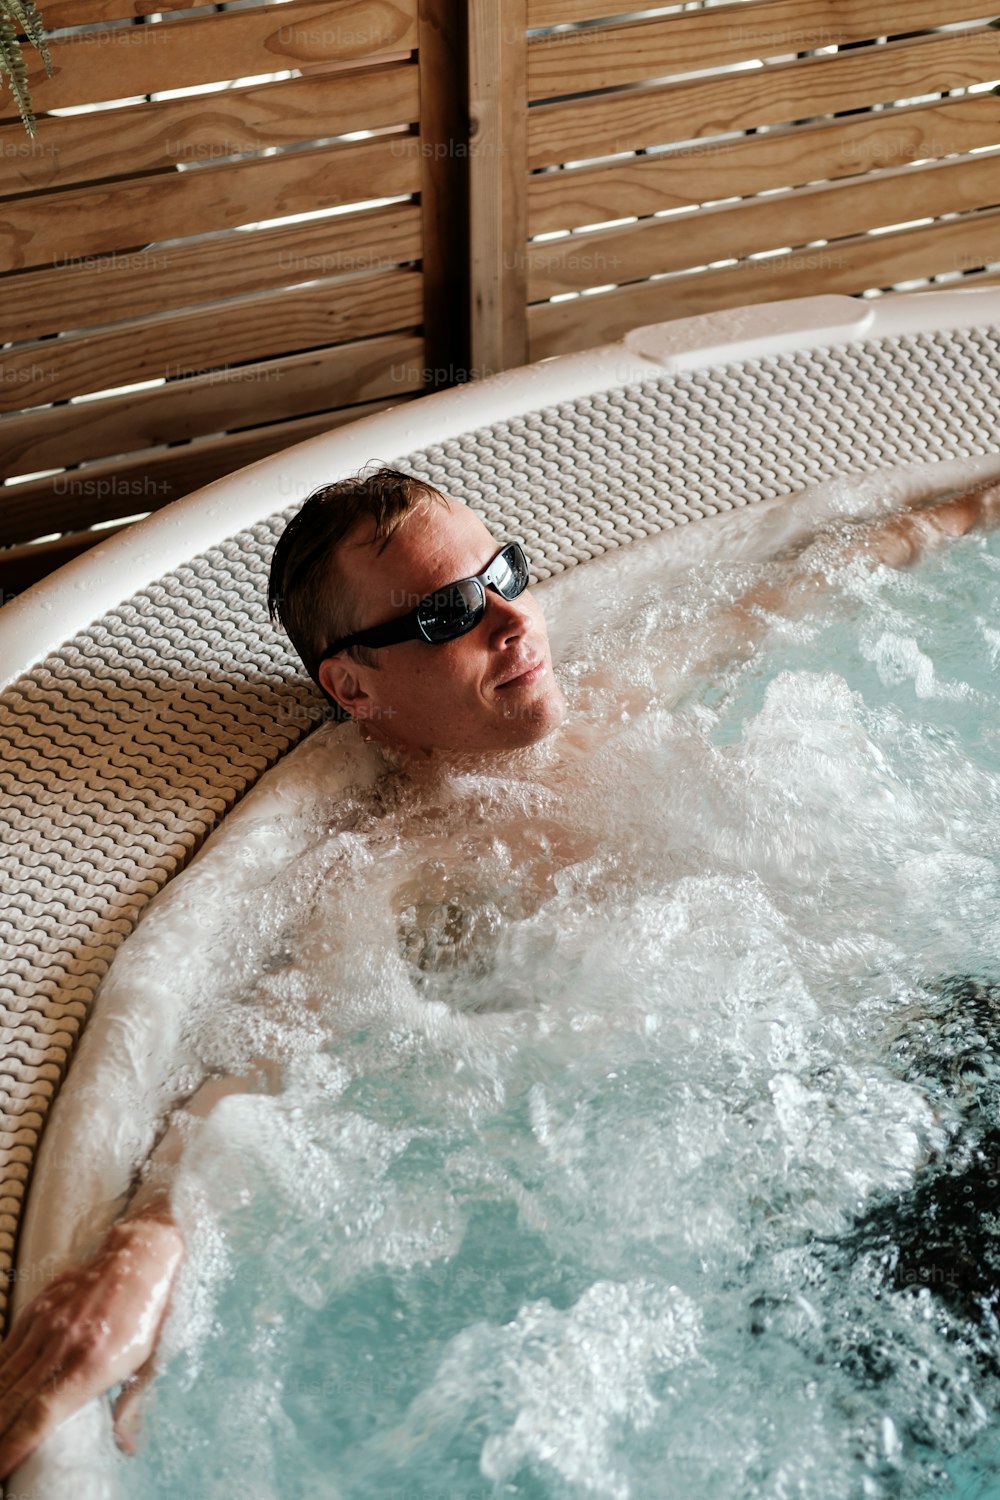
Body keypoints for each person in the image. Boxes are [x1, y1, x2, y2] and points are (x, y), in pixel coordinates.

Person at [0, 465, 998, 1480]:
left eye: (505, 574)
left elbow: (813, 585)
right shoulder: (402, 870)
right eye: (447, 616)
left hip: (955, 1033)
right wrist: (147, 1248)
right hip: (847, 1175)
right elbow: (258, 1064)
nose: (513, 621)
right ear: (352, 687)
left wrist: (971, 511)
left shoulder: (622, 688)